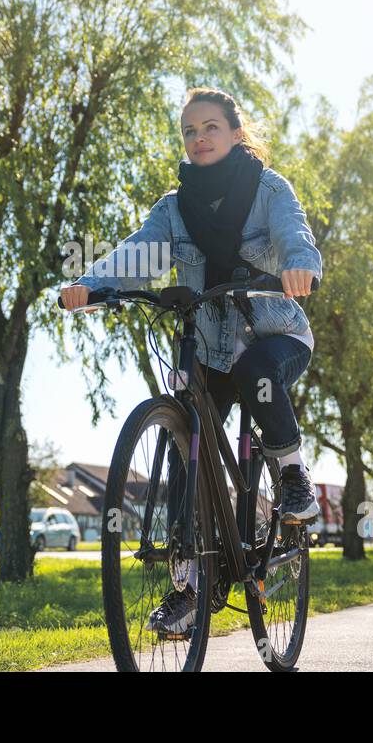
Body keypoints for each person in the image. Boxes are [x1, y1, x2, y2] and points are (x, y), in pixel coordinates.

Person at [60, 86, 323, 636]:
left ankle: (293, 475)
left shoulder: (268, 189)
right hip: (206, 344)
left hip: (273, 332)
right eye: (189, 131)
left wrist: (299, 267)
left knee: (257, 374)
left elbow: (294, 233)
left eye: (210, 128)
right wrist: (90, 285)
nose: (199, 139)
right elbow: (137, 254)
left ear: (234, 133)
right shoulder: (174, 209)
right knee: (185, 437)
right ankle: (190, 583)